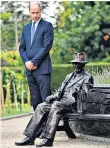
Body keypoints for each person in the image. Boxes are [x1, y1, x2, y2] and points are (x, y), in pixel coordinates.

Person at [15, 52, 94, 147]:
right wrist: (52, 97)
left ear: (83, 64)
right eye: (74, 63)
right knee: (41, 106)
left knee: (56, 105)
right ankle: (29, 137)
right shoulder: (69, 76)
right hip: (60, 102)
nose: (76, 66)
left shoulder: (87, 77)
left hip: (74, 104)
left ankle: (48, 139)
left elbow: (86, 93)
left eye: (78, 64)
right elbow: (60, 90)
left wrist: (75, 92)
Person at [19, 1, 54, 111]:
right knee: (35, 100)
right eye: (33, 12)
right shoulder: (26, 28)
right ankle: (38, 127)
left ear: (41, 11)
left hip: (43, 70)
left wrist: (33, 62)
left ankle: (47, 128)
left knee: (45, 101)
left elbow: (46, 47)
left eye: (37, 12)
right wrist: (27, 63)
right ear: (29, 12)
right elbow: (21, 48)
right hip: (30, 71)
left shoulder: (47, 26)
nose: (35, 15)